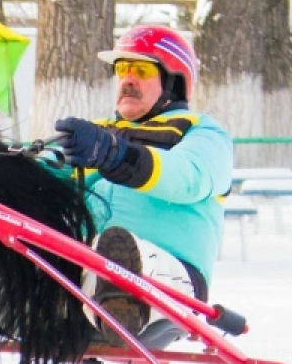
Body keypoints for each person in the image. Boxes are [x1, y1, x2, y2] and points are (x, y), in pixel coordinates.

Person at [52, 25, 233, 340]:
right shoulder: (95, 134)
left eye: (142, 69)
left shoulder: (204, 133)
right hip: (79, 273)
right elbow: (40, 173)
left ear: (174, 82)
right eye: (122, 69)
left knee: (115, 250)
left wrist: (115, 155)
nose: (128, 79)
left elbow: (187, 178)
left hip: (170, 277)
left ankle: (119, 306)